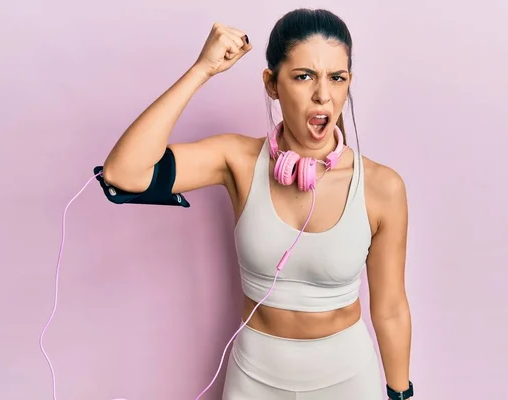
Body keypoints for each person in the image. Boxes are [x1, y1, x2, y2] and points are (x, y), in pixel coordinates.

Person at [101, 8, 413, 400]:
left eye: (337, 78)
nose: (323, 94)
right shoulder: (238, 161)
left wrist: (401, 395)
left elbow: (391, 309)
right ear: (272, 84)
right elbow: (122, 172)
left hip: (349, 380)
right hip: (254, 379)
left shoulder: (382, 187)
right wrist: (202, 70)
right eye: (304, 76)